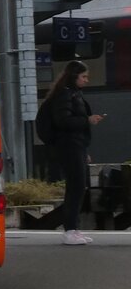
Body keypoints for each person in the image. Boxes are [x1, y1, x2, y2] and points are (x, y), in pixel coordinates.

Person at [46, 60, 106, 245]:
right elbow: (63, 121)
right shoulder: (65, 96)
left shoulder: (72, 94)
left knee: (78, 186)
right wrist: (87, 120)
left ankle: (73, 228)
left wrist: (83, 149)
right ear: (74, 77)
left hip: (75, 146)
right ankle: (70, 229)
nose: (87, 80)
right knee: (76, 186)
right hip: (69, 146)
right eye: (84, 76)